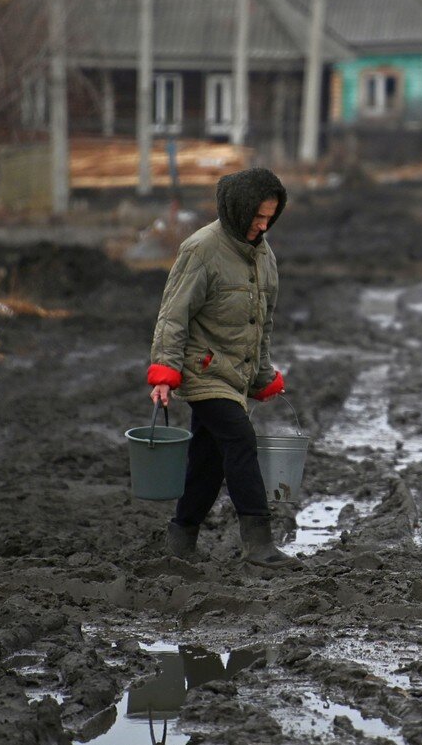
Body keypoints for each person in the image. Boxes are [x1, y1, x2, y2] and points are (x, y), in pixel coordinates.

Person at [146, 166, 299, 570]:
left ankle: (180, 541)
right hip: (204, 371)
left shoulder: (265, 258)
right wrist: (164, 371)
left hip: (237, 375)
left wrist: (264, 377)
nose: (262, 225)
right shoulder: (201, 250)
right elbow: (173, 315)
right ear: (237, 208)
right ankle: (259, 546)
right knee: (240, 440)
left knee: (208, 461)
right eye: (256, 216)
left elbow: (261, 326)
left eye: (269, 217)